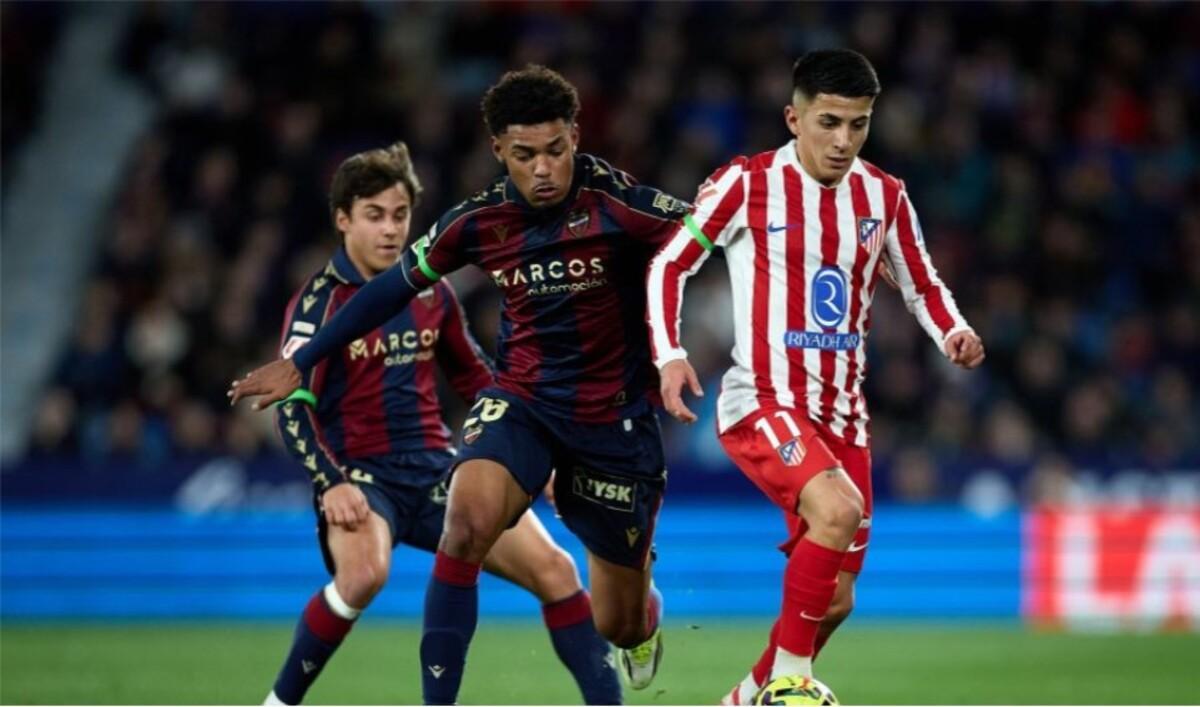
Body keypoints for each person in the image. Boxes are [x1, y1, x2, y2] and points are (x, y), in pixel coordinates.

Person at [230, 66, 692, 705]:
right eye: (524, 155)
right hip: (513, 410)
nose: (542, 170)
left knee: (613, 614)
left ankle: (642, 623)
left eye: (556, 151)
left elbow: (721, 239)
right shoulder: (473, 224)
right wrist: (303, 362)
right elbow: (389, 292)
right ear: (499, 151)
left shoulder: (622, 205)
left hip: (612, 422)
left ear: (576, 138)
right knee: (464, 525)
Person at [645, 49, 985, 704]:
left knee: (835, 598)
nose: (843, 140)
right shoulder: (747, 184)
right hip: (761, 399)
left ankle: (743, 698)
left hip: (842, 417)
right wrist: (670, 353)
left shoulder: (884, 195)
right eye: (829, 121)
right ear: (793, 118)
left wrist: (954, 333)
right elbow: (669, 264)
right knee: (837, 509)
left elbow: (921, 284)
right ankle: (794, 681)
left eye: (859, 125)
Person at [263, 141, 620, 705]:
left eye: (400, 215)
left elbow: (476, 377)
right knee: (363, 577)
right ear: (342, 220)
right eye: (374, 215)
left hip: (434, 470)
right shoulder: (317, 303)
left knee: (556, 571)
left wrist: (531, 449)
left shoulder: (431, 290)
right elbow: (291, 404)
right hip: (361, 478)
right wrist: (329, 482)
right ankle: (277, 704)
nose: (390, 230)